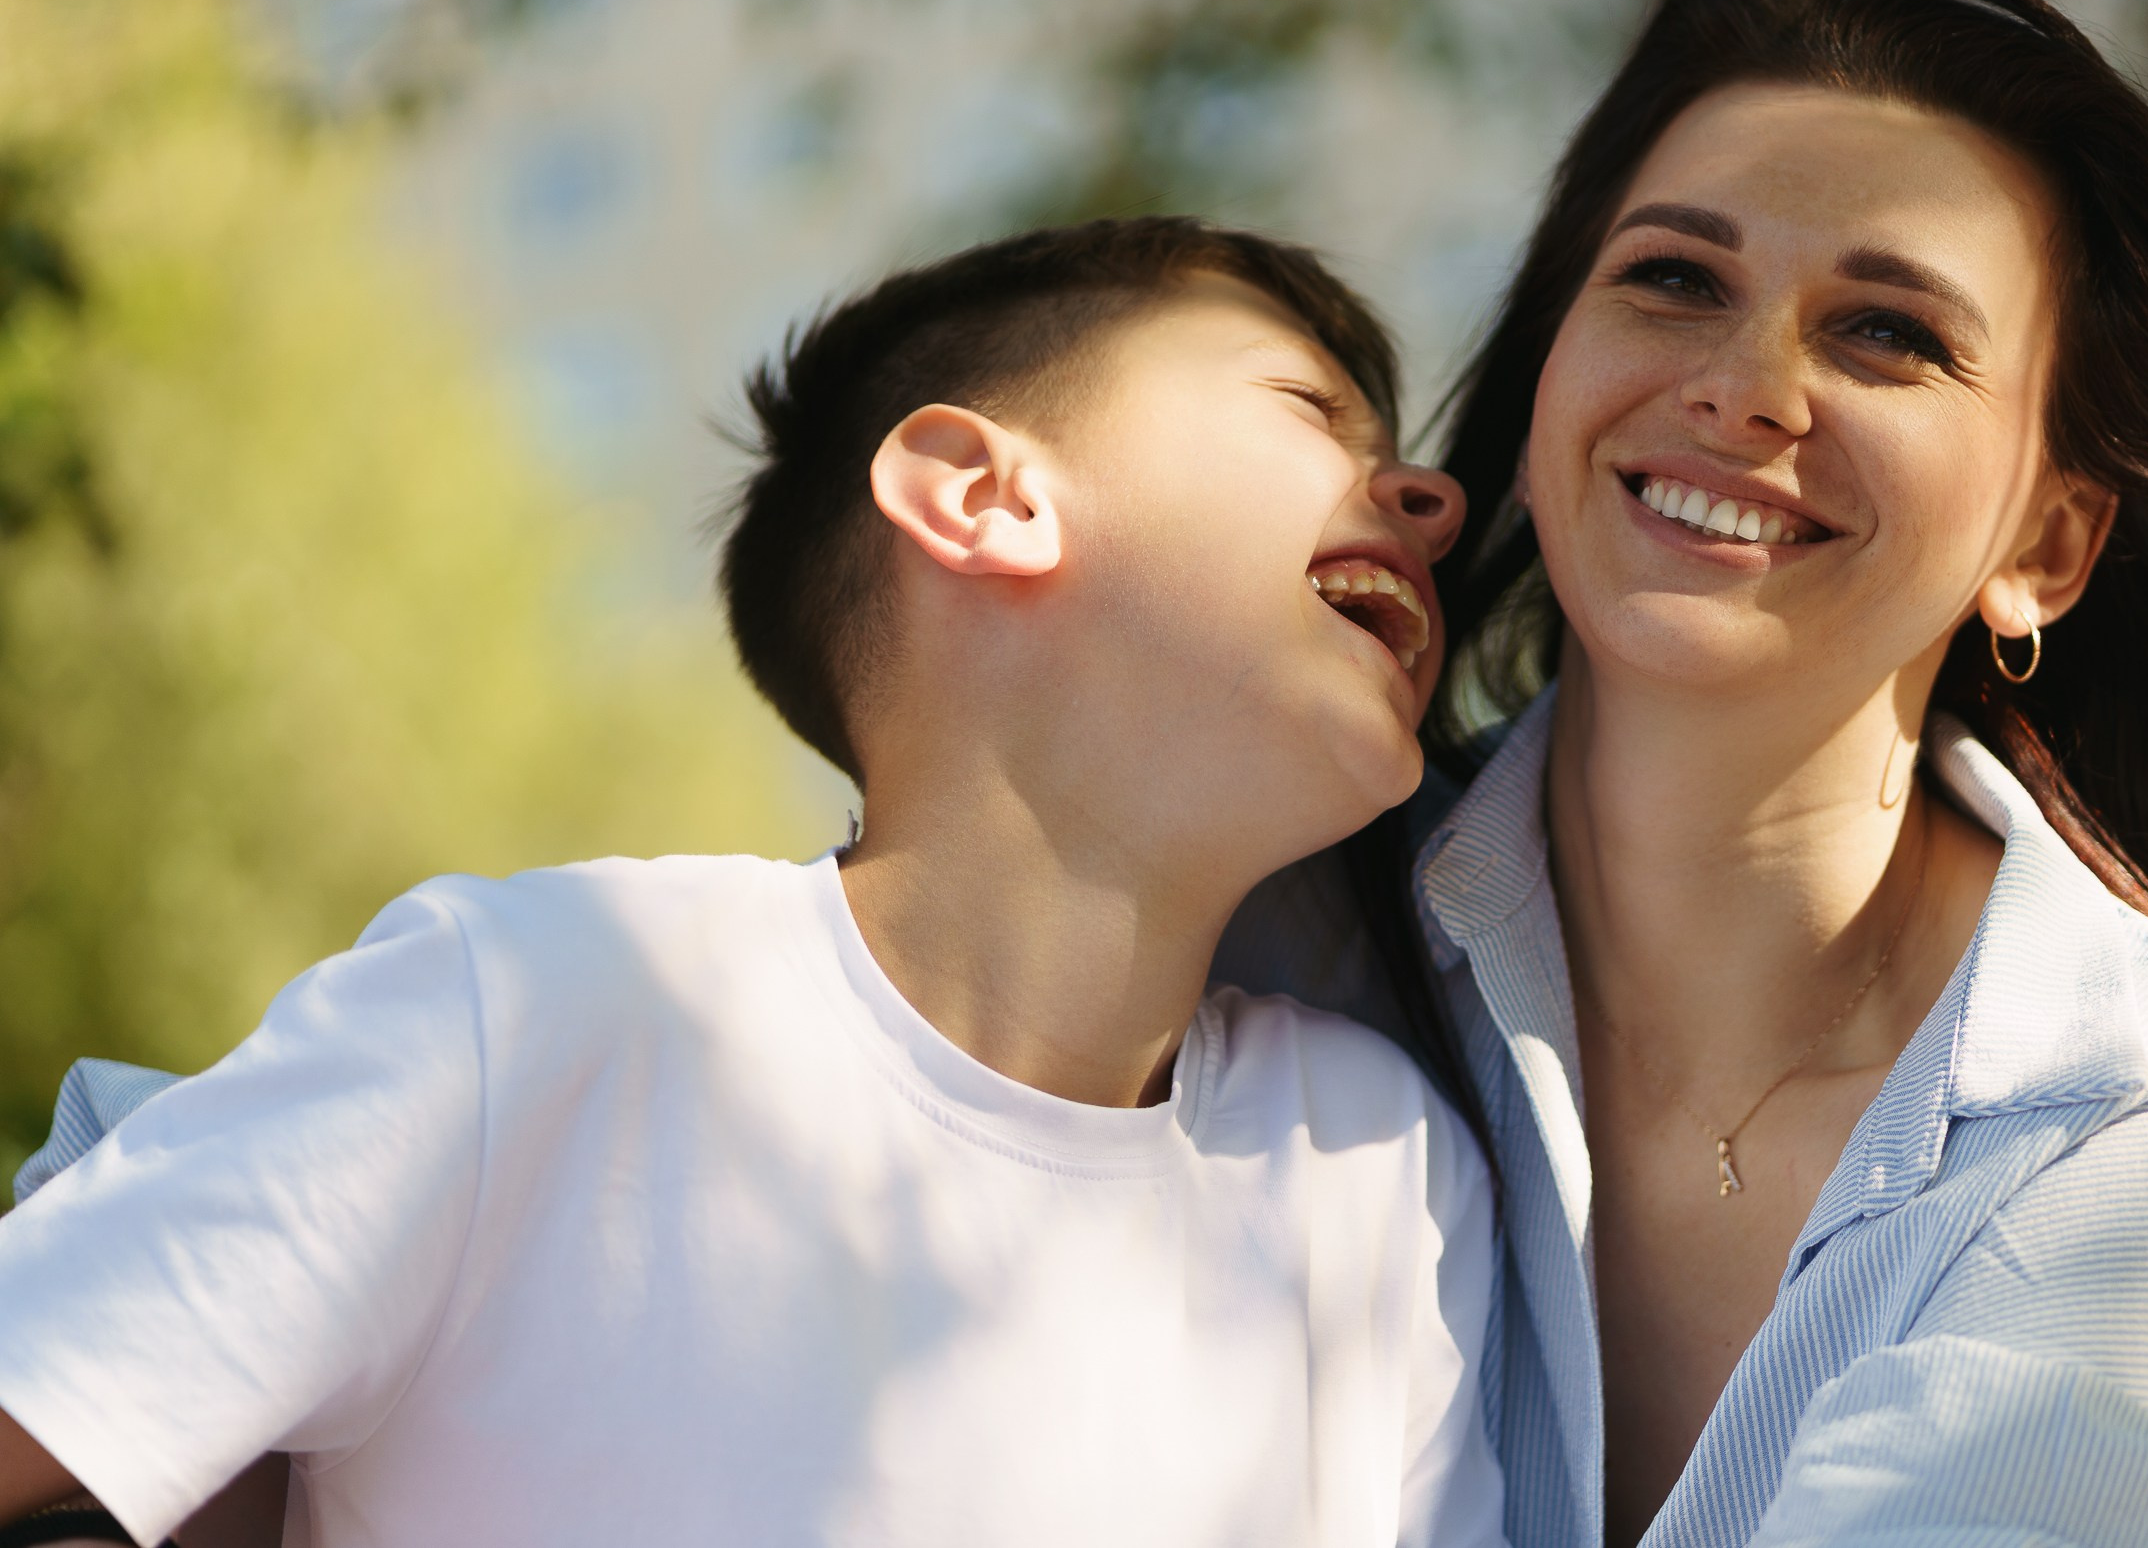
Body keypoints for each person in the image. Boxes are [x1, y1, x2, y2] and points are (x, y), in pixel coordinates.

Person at [1209, 0, 2148, 1546]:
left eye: (1890, 334)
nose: (1745, 387)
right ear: (1547, 385)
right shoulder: (1267, 918)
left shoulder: (2130, 1113)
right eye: (1674, 278)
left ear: (2044, 549)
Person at [0, 217, 1510, 1548]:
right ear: (979, 497)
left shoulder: (1379, 1174)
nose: (1427, 499)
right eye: (1312, 411)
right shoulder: (540, 1009)